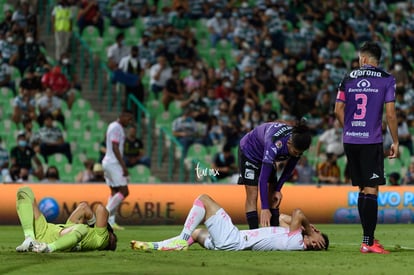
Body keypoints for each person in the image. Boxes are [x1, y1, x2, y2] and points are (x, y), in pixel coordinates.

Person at [334, 41, 399, 254]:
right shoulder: (387, 79)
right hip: (370, 141)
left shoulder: (347, 78)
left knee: (362, 189)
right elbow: (390, 113)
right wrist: (395, 141)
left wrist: (350, 129)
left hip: (350, 139)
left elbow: (338, 109)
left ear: (362, 59)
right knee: (372, 189)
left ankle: (367, 238)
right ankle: (368, 242)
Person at [131, 194, 328, 251]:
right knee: (196, 233)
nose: (315, 244)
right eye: (319, 241)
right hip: (225, 244)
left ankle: (180, 240)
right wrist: (306, 229)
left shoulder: (297, 242)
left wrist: (309, 230)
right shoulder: (292, 235)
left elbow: (298, 212)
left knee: (204, 200)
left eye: (318, 247)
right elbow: (286, 218)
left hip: (233, 240)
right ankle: (156, 246)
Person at [238, 120, 313, 229]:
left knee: (273, 194)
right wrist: (264, 208)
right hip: (249, 152)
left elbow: (288, 170)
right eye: (295, 152)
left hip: (266, 155)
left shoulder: (298, 140)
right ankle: (253, 233)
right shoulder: (274, 144)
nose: (297, 155)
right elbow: (262, 179)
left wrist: (278, 189)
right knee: (252, 194)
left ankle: (274, 231)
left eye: (300, 153)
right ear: (289, 143)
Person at [15, 186, 117, 253]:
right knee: (24, 191)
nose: (114, 239)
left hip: (58, 240)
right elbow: (83, 207)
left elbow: (101, 209)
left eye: (113, 238)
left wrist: (99, 225)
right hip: (46, 230)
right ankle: (29, 238)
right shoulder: (83, 230)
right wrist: (92, 224)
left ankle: (49, 248)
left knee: (82, 228)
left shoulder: (102, 238)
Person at [102, 110, 133, 230]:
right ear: (122, 116)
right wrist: (123, 165)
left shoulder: (111, 126)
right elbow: (115, 146)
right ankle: (105, 214)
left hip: (108, 162)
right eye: (128, 119)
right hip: (113, 163)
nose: (129, 122)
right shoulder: (116, 127)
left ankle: (110, 222)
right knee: (124, 191)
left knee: (115, 191)